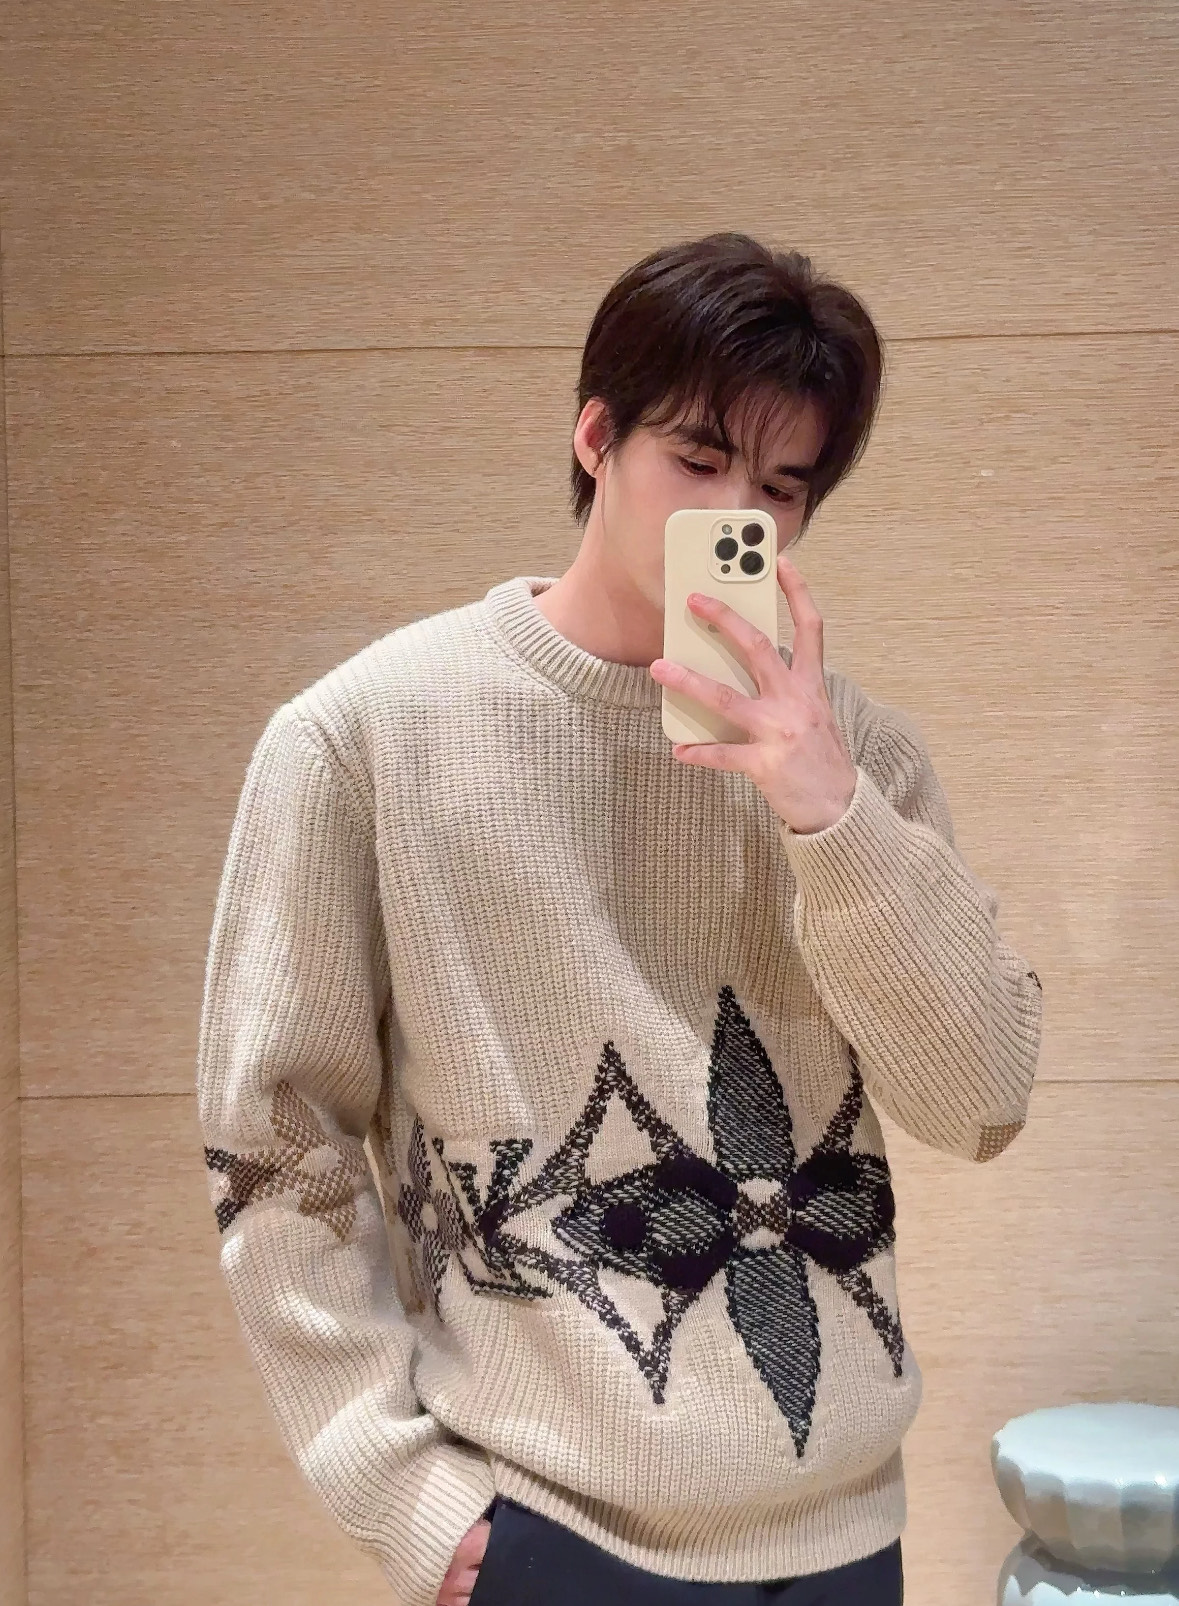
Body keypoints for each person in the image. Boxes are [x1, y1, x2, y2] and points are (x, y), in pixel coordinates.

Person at [196, 231, 1043, 1606]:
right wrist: (402, 1492)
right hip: (550, 1531)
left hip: (842, 1532)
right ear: (595, 436)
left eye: (781, 486)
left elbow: (982, 1102)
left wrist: (830, 816)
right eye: (698, 459)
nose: (735, 511)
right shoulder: (364, 739)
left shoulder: (859, 762)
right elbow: (278, 1146)